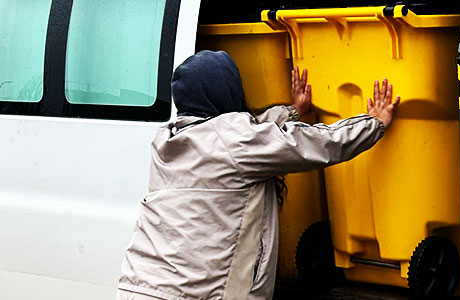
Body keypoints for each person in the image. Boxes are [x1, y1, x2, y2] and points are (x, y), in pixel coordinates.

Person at [117, 50, 400, 300]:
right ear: (227, 92)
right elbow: (314, 144)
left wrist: (291, 112)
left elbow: (245, 137)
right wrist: (372, 124)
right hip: (196, 294)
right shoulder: (233, 140)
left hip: (139, 285)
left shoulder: (168, 140)